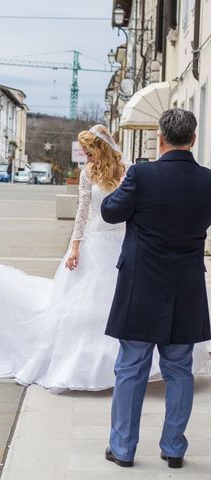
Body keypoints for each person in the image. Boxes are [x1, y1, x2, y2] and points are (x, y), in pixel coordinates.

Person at [0, 124, 208, 393]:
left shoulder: (130, 172)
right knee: (86, 305)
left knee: (123, 305)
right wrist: (75, 246)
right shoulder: (88, 173)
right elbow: (83, 211)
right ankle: (87, 366)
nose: (87, 158)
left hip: (123, 242)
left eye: (90, 152)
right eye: (85, 153)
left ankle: (132, 368)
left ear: (102, 148)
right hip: (95, 242)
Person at [102, 109, 211, 469]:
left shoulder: (142, 174)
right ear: (192, 139)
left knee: (132, 366)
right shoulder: (207, 180)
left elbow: (110, 212)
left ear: (161, 139)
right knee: (180, 369)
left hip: (142, 285)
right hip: (188, 287)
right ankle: (174, 447)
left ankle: (123, 448)